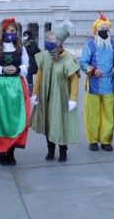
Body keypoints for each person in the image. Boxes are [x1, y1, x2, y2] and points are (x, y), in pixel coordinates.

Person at [0, 18, 30, 166]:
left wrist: (18, 69)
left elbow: (26, 64)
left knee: (14, 119)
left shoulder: (20, 47)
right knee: (0, 119)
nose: (12, 33)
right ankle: (2, 151)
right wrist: (2, 69)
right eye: (10, 31)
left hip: (16, 87)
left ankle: (12, 150)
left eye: (14, 31)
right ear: (2, 31)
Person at [30, 25, 80, 161]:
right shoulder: (45, 56)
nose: (48, 42)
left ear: (59, 42)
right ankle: (50, 149)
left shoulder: (68, 58)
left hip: (61, 96)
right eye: (47, 39)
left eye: (51, 39)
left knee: (60, 122)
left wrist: (73, 98)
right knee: (48, 122)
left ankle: (63, 150)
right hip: (46, 95)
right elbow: (40, 73)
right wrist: (35, 92)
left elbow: (74, 79)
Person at [80, 13, 114, 152]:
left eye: (107, 28)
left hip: (110, 84)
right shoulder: (90, 44)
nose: (105, 31)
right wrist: (93, 70)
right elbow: (83, 63)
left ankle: (106, 140)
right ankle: (93, 141)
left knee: (109, 114)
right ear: (96, 30)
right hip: (94, 85)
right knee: (93, 114)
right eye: (102, 28)